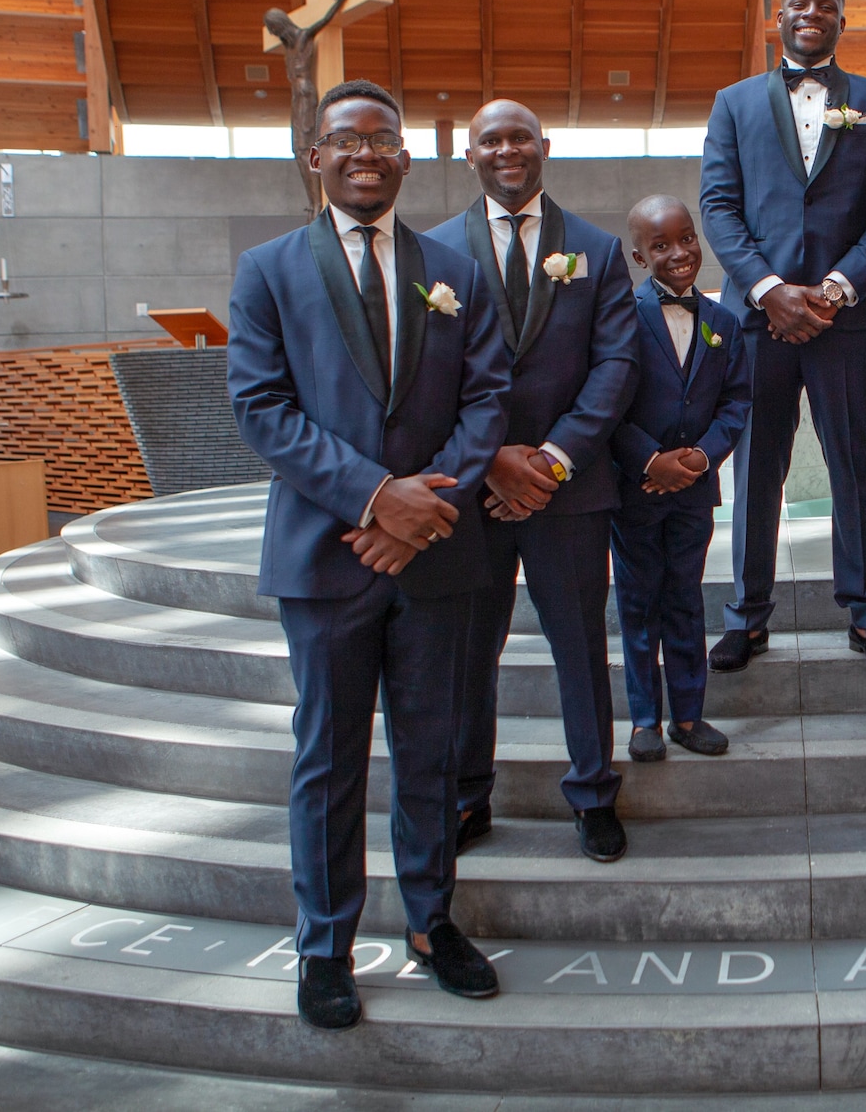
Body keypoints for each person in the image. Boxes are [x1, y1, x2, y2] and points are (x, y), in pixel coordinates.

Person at [228, 78, 511, 1029]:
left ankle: (432, 920)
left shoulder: (456, 272)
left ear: (404, 157)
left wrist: (422, 505)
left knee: (430, 751)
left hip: (434, 553)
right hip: (325, 553)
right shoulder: (268, 270)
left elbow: (487, 401)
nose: (365, 154)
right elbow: (260, 407)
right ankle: (325, 943)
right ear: (317, 158)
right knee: (330, 755)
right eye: (345, 140)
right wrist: (372, 497)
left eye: (383, 140)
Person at [425, 100, 640, 865]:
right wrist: (490, 460)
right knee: (466, 650)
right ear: (469, 156)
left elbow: (616, 366)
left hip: (568, 491)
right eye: (492, 140)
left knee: (580, 646)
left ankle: (592, 792)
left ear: (544, 146)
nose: (507, 149)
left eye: (520, 136)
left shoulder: (595, 249)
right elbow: (427, 379)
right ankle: (465, 794)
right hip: (472, 494)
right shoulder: (432, 253)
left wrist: (550, 459)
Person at [698, 0, 866, 677]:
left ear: (841, 21)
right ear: (778, 17)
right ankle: (747, 617)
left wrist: (833, 287)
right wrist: (769, 291)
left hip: (844, 319)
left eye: (826, 4)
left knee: (854, 463)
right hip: (757, 321)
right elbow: (719, 206)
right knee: (758, 466)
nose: (812, 13)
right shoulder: (732, 105)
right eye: (800, 3)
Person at [609, 195, 754, 762]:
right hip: (636, 490)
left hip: (695, 489)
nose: (680, 253)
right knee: (639, 603)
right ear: (641, 258)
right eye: (661, 245)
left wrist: (701, 457)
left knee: (686, 601)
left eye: (686, 238)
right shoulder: (620, 317)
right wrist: (651, 461)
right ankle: (645, 717)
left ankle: (689, 715)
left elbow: (736, 401)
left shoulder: (723, 322)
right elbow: (609, 405)